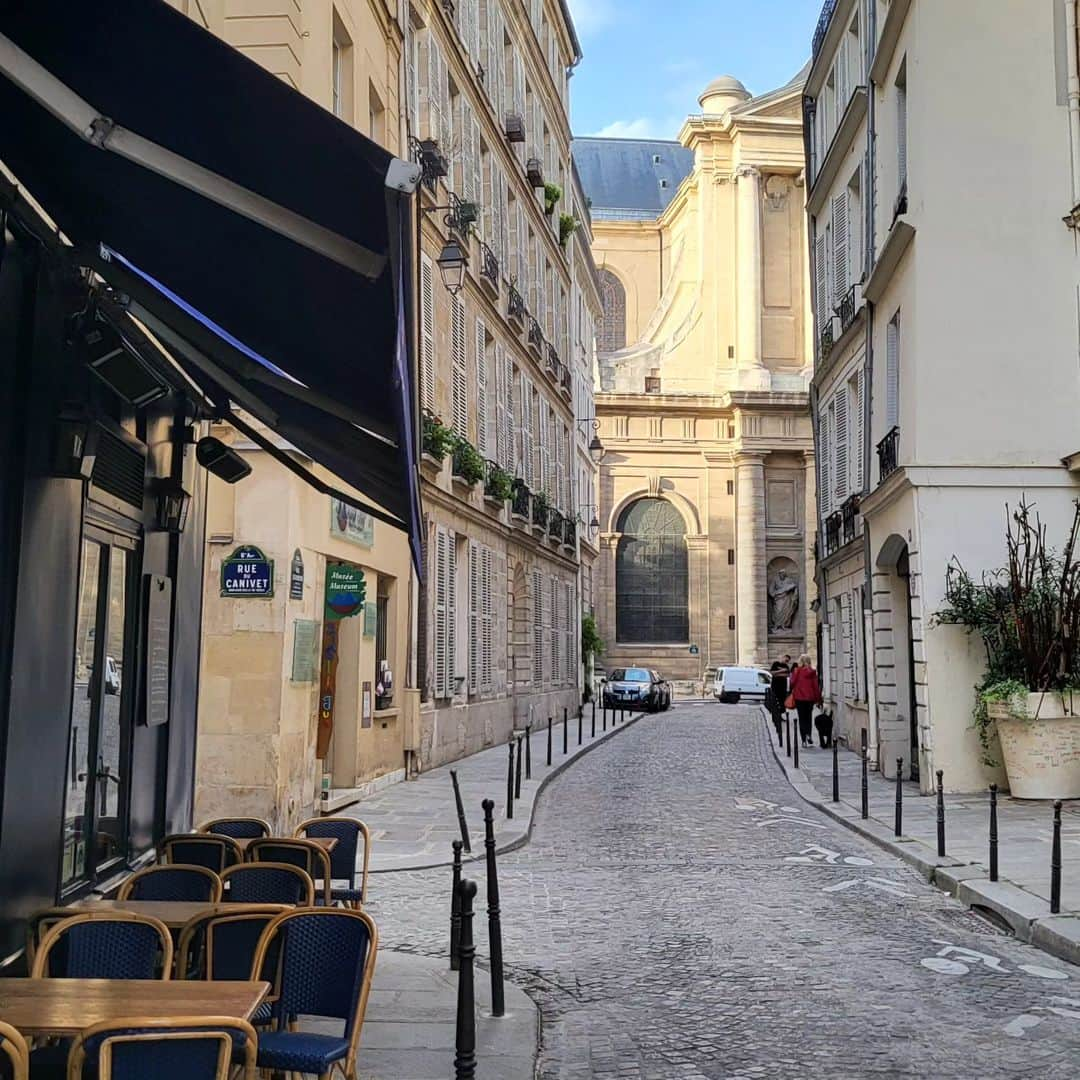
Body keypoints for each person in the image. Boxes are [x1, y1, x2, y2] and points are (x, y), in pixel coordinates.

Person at [789, 654, 822, 748]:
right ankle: (809, 734)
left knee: (801, 718)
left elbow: (792, 683)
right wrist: (818, 698)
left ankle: (804, 740)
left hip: (799, 698)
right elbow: (815, 686)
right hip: (810, 698)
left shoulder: (797, 671)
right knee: (808, 717)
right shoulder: (812, 672)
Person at [768, 655, 791, 743]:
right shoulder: (775, 664)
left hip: (783, 688)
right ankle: (776, 716)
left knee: (782, 702)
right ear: (783, 658)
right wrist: (781, 671)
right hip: (775, 687)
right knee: (775, 702)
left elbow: (787, 675)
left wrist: (779, 673)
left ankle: (780, 715)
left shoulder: (786, 667)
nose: (786, 661)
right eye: (786, 659)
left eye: (788, 661)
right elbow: (772, 673)